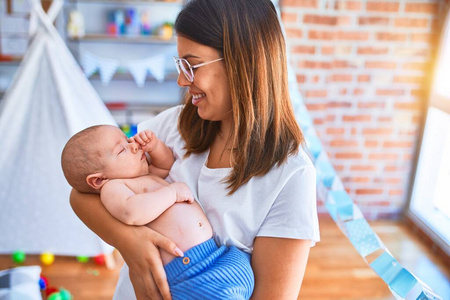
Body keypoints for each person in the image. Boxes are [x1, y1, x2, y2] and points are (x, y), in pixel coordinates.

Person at [70, 0, 320, 299]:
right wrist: (130, 241)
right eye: (180, 65)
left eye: (191, 64)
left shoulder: (291, 176)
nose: (181, 80)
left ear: (244, 61)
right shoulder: (171, 128)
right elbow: (82, 192)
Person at [61, 125, 254, 299]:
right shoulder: (114, 188)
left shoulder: (145, 175)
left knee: (243, 275)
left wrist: (154, 147)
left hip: (217, 255)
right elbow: (132, 213)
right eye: (121, 150)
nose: (133, 146)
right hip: (187, 270)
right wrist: (171, 193)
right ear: (98, 180)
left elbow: (165, 165)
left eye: (128, 140)